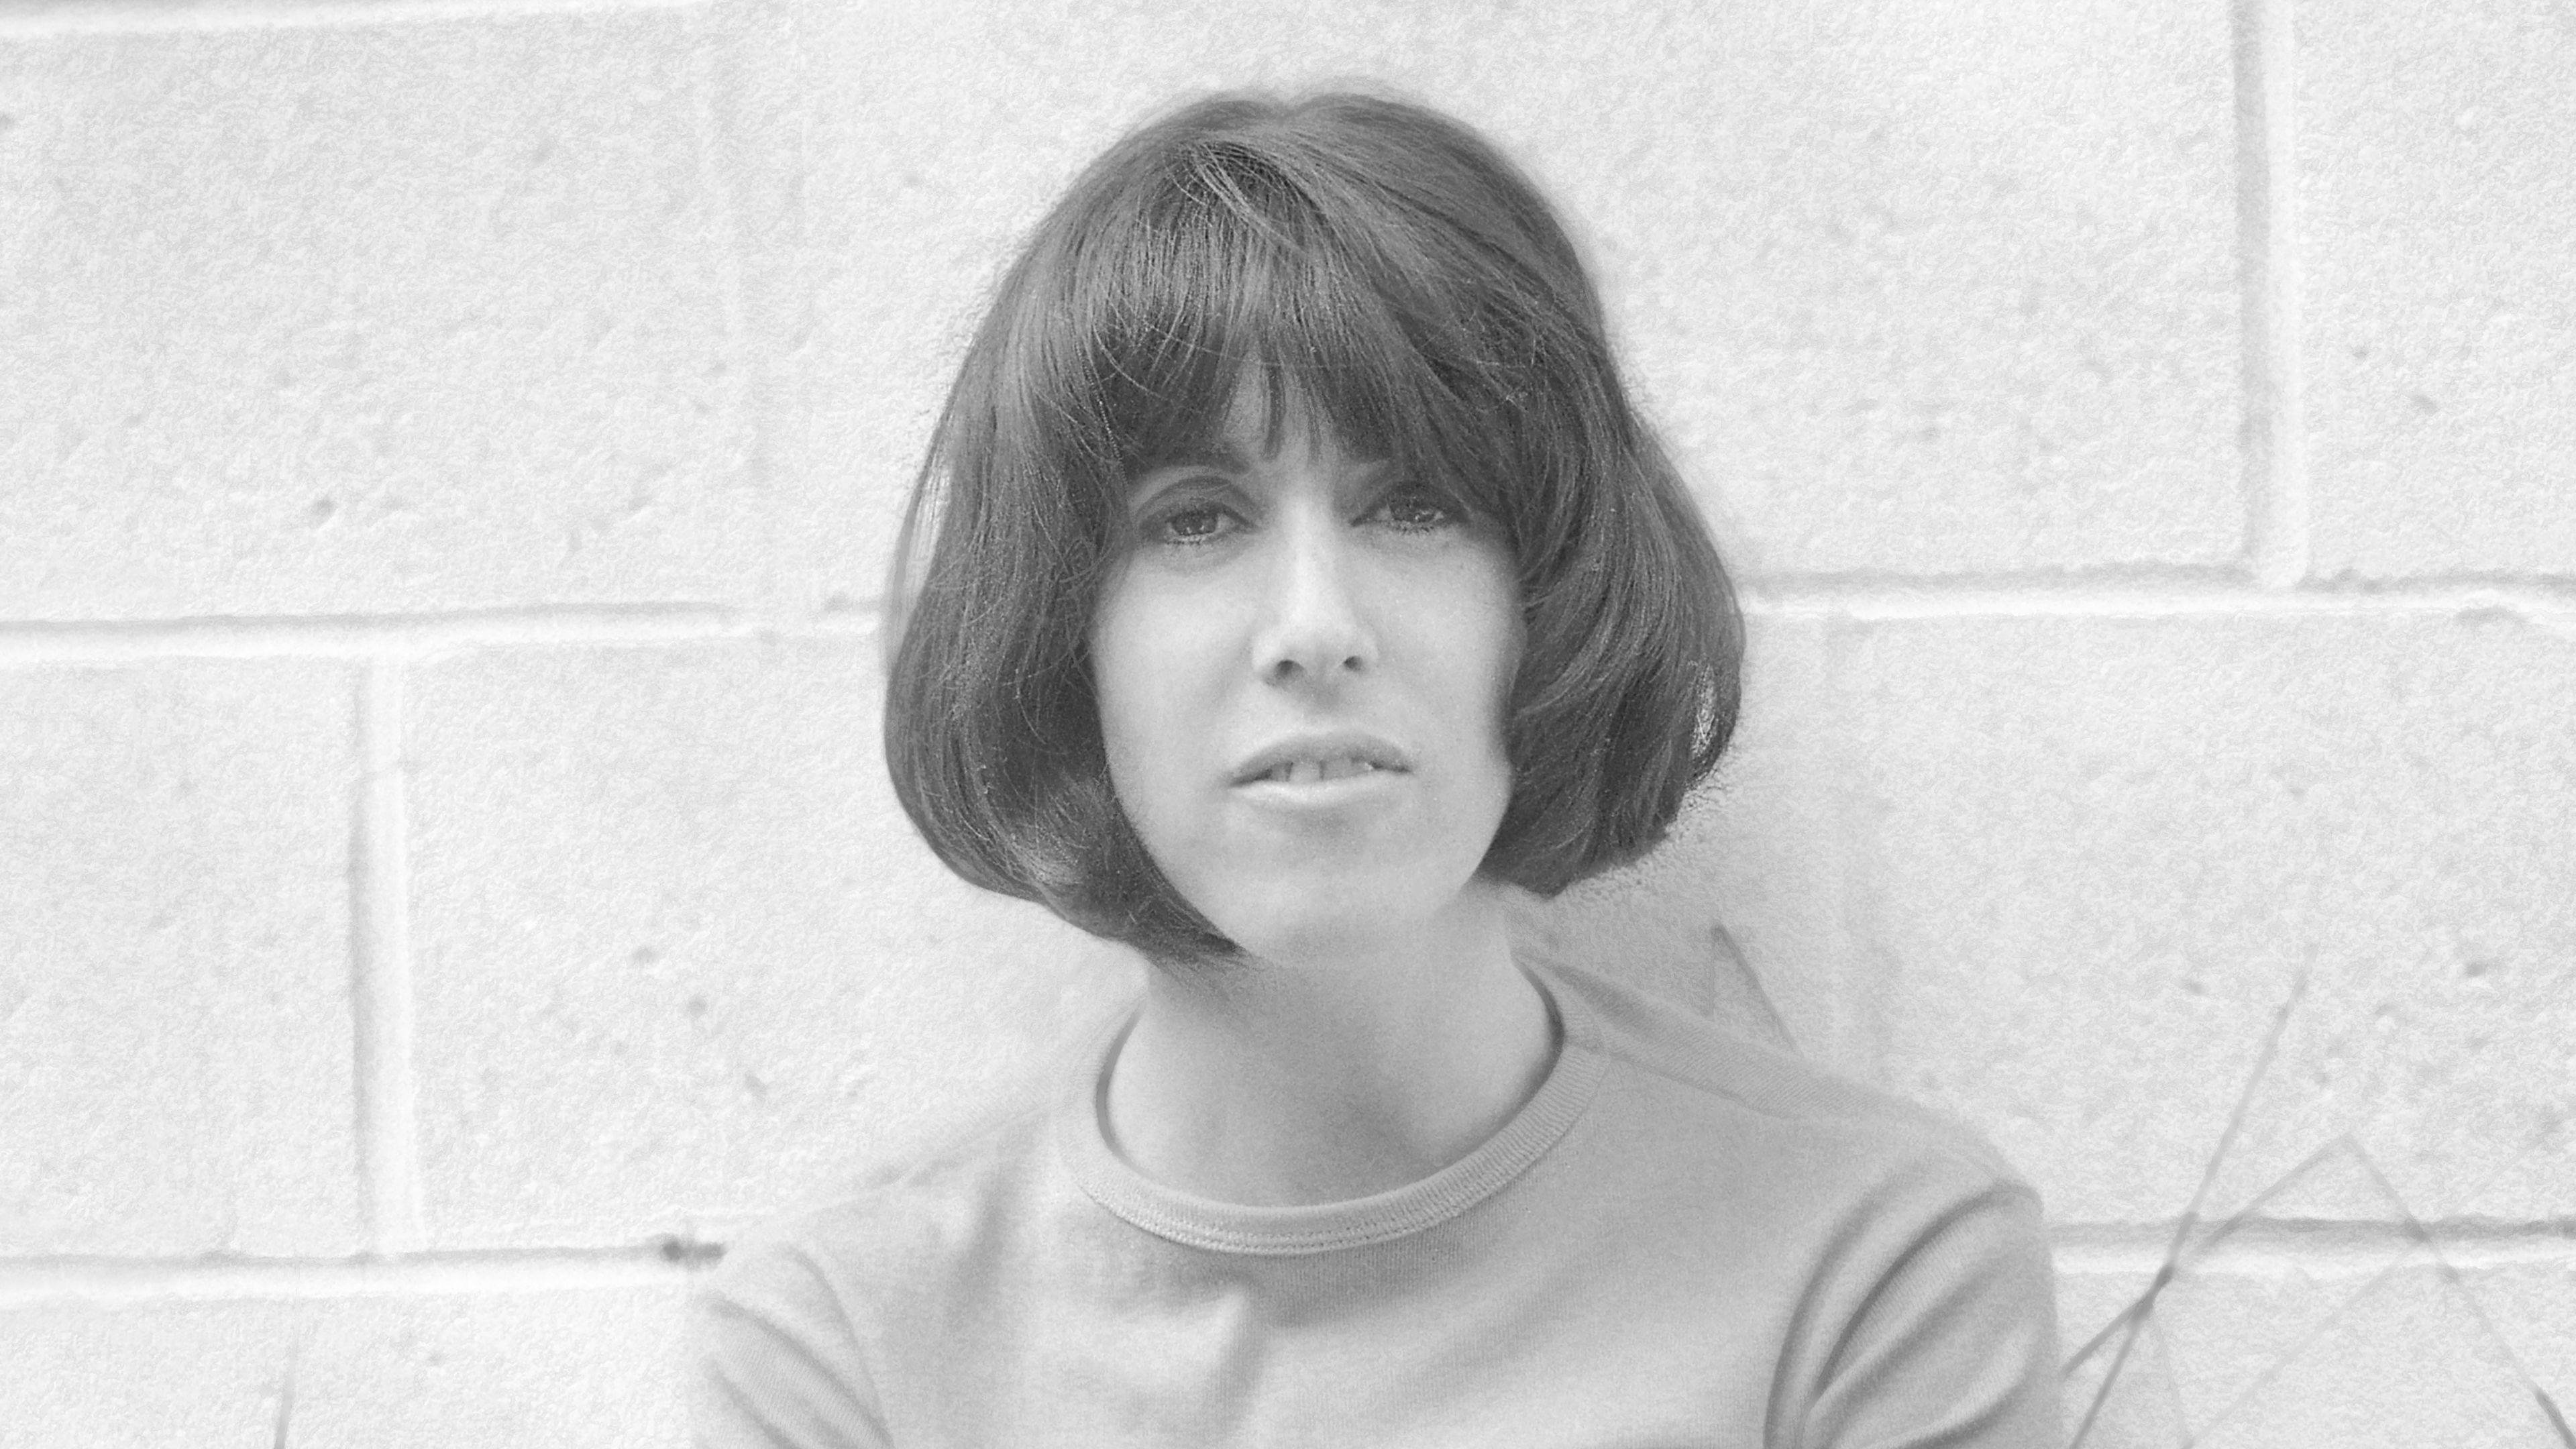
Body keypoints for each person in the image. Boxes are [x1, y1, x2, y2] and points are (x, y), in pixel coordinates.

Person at [692, 89, 2063, 1447]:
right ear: (1062, 637)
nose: (1312, 627)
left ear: (1553, 595)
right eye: (1196, 519)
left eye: (1415, 505)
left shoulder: (1869, 1266)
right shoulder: (847, 1344)